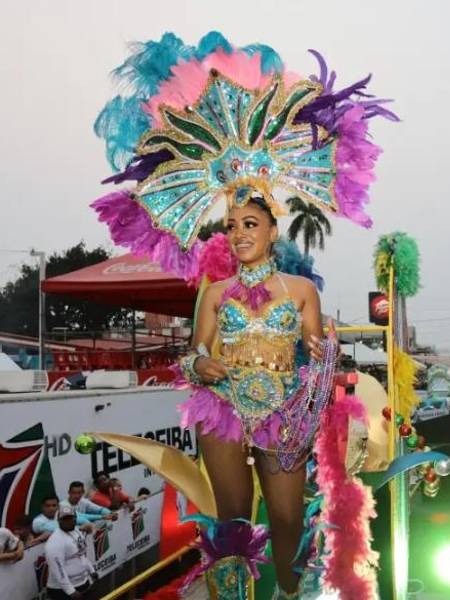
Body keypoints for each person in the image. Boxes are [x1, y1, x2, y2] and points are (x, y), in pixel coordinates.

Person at [88, 32, 397, 599]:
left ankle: (286, 591)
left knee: (284, 519)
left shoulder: (302, 290)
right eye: (231, 225)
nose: (238, 234)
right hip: (224, 407)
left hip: (286, 411)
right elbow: (195, 352)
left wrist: (319, 375)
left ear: (273, 229)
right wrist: (201, 366)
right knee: (231, 524)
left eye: (249, 224)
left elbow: (319, 355)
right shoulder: (214, 292)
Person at [45, 505, 97, 600]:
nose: (68, 521)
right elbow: (57, 569)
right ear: (59, 521)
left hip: (82, 582)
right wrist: (70, 591)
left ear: (75, 518)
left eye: (70, 518)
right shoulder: (55, 542)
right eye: (64, 519)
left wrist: (91, 570)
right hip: (62, 590)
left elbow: (81, 554)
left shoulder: (76, 531)